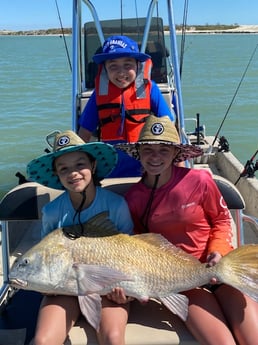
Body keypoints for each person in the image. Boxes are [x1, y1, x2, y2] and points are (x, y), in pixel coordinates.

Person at [116, 115, 258, 345]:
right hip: (182, 281)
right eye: (148, 150)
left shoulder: (200, 180)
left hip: (222, 267)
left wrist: (217, 252)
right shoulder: (133, 199)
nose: (155, 157)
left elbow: (221, 221)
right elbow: (140, 246)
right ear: (138, 154)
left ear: (175, 154)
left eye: (163, 150)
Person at [26, 130, 134, 345]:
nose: (73, 173)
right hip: (64, 289)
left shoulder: (116, 205)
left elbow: (131, 255)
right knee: (43, 341)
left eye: (79, 165)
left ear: (93, 166)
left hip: (108, 288)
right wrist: (46, 285)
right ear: (57, 175)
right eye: (63, 169)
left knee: (113, 338)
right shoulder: (52, 212)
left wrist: (126, 293)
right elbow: (44, 258)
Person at [78, 35, 175, 178]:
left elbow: (169, 127)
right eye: (113, 66)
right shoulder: (98, 95)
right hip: (111, 168)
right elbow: (84, 134)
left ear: (138, 65)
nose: (121, 72)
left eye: (127, 65)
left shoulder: (149, 89)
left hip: (146, 167)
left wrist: (177, 166)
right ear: (105, 69)